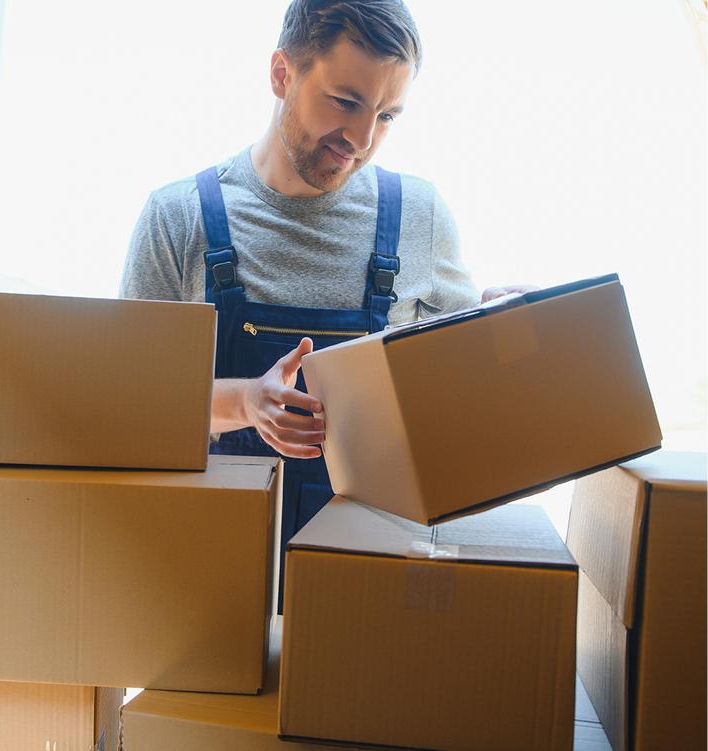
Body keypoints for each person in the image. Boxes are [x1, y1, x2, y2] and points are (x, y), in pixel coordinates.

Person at [121, 0, 529, 607]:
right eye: (346, 101)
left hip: (369, 592)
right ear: (282, 74)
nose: (362, 140)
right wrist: (245, 402)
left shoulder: (420, 217)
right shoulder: (177, 219)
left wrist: (499, 333)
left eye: (387, 115)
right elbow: (129, 414)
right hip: (206, 587)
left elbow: (456, 403)